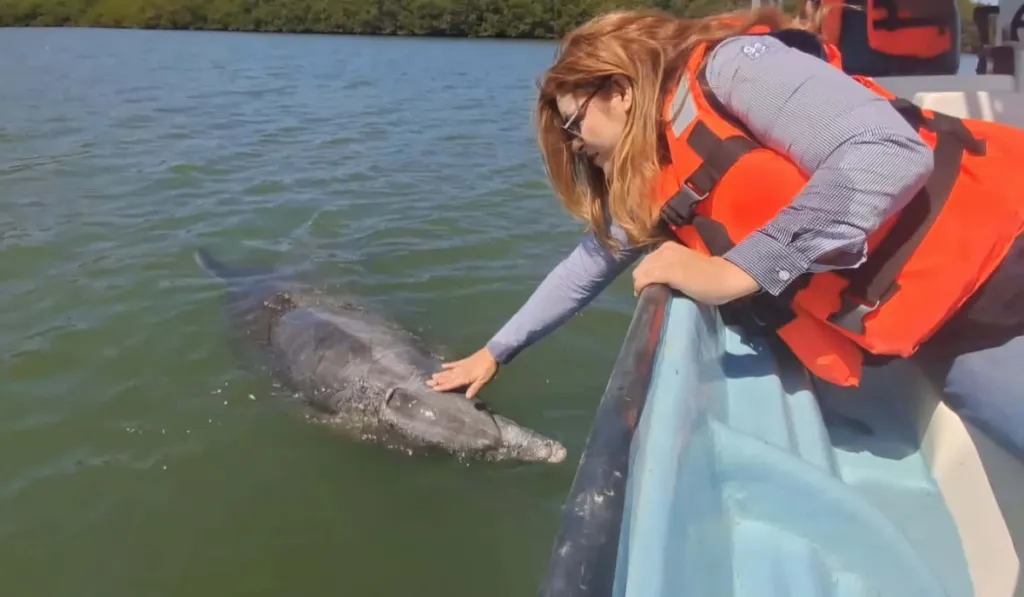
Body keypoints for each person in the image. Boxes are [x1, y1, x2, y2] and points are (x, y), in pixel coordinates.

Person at [426, 7, 1024, 456]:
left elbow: (886, 151)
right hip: (932, 318)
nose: (577, 146)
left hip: (1002, 259)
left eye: (577, 125)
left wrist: (734, 271)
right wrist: (494, 351)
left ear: (621, 91)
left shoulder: (731, 67)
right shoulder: (656, 172)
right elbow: (587, 265)